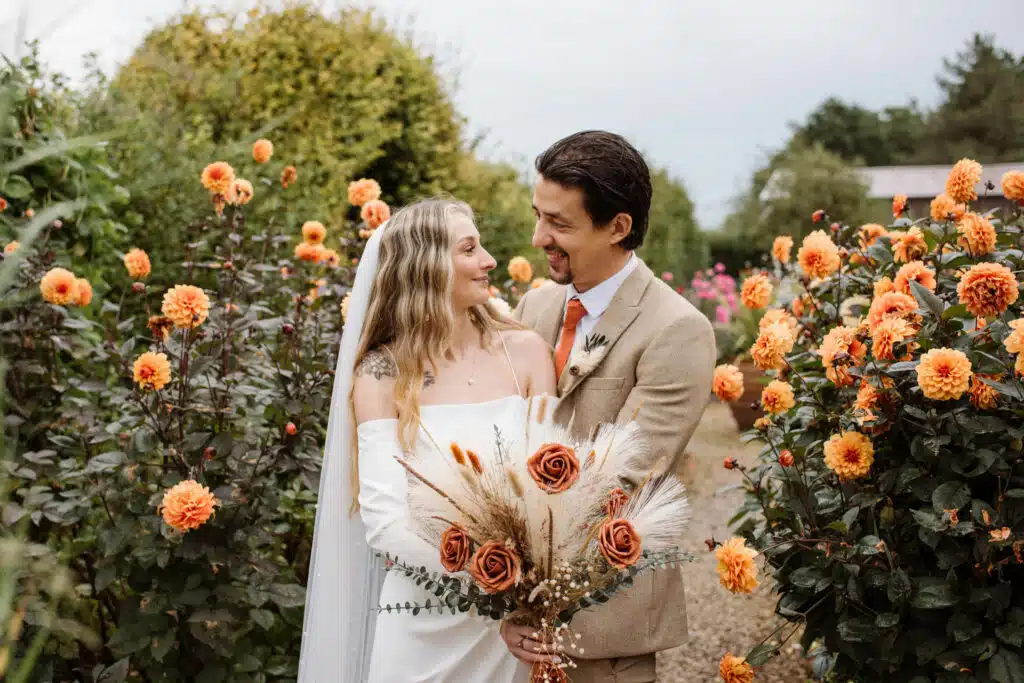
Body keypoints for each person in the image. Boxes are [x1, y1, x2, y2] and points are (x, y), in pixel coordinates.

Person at [296, 199, 557, 682]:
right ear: (427, 267)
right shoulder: (380, 373)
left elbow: (552, 490)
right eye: (469, 249)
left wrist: (523, 598)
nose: (489, 261)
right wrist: (495, 583)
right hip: (420, 623)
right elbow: (386, 523)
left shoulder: (526, 353)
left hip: (515, 634)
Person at [512, 130, 716, 683]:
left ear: (618, 227)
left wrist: (519, 583)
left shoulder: (677, 330)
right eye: (538, 216)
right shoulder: (533, 307)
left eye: (559, 224)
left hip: (600, 628)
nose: (538, 238)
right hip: (512, 624)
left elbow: (620, 479)